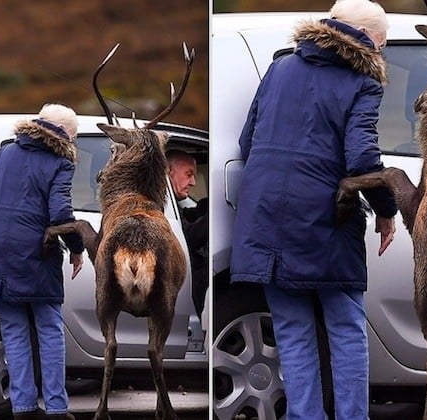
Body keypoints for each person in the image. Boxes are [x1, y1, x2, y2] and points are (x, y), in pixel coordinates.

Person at [230, 0, 397, 418]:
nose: (383, 52)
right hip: (324, 219)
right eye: (384, 43)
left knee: (292, 330)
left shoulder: (279, 67)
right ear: (370, 40)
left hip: (264, 217)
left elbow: (248, 142)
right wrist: (386, 209)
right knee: (346, 330)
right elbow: (361, 159)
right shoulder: (362, 82)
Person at [0, 103, 85, 420]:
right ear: (64, 134)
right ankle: (57, 408)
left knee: (13, 329)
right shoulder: (60, 161)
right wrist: (77, 248)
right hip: (35, 252)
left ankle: (22, 407)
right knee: (49, 329)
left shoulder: (6, 151)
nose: (74, 143)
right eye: (73, 137)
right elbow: (61, 213)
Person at [166, 149, 209, 318]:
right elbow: (187, 238)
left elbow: (184, 218)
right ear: (169, 172)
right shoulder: (158, 202)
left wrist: (201, 210)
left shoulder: (172, 204)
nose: (193, 182)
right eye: (188, 174)